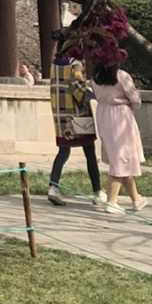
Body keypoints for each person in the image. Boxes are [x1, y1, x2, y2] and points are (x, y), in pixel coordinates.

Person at [46, 31, 106, 206]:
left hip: (60, 116)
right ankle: (97, 191)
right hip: (78, 115)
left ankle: (53, 186)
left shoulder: (55, 64)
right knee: (89, 152)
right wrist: (93, 95)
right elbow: (78, 88)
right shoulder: (76, 65)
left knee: (63, 151)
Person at [92, 62, 147, 213]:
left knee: (120, 158)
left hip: (103, 113)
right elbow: (135, 99)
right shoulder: (122, 75)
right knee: (121, 158)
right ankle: (112, 201)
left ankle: (136, 198)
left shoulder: (95, 77)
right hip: (121, 115)